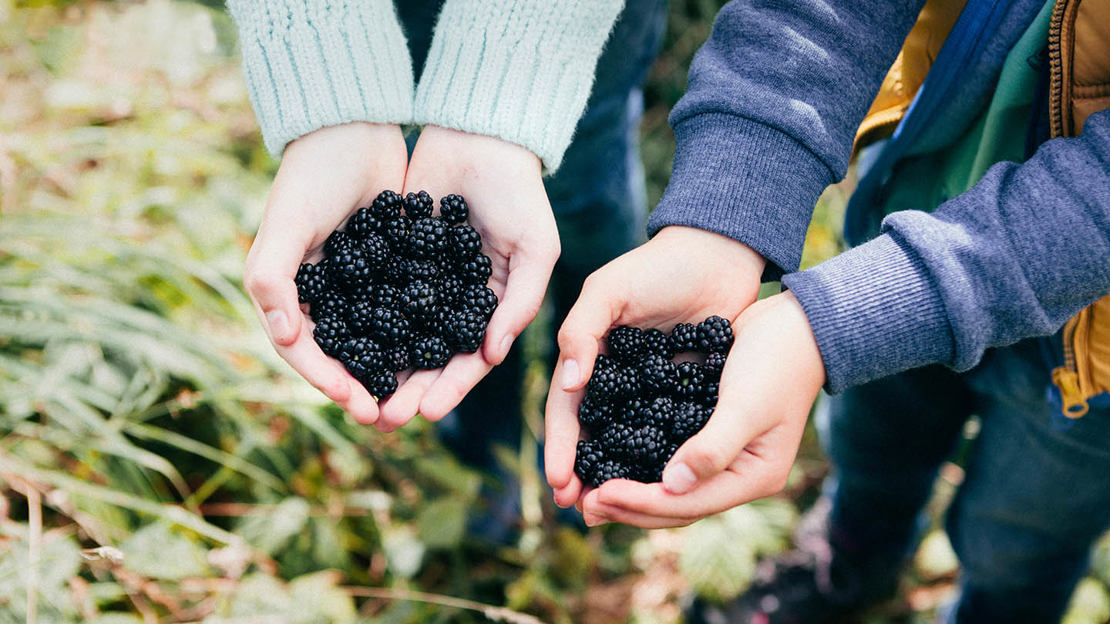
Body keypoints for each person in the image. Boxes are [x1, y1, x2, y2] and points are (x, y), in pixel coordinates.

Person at [543, 0, 1110, 621]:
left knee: (1023, 541)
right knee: (872, 449)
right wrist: (721, 223)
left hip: (1097, 367)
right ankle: (848, 564)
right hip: (903, 225)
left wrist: (827, 324)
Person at [227, 0, 666, 538]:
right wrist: (336, 94)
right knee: (483, 323)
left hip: (582, 31)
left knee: (595, 227)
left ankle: (591, 438)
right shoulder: (414, 265)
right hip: (388, 29)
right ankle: (486, 471)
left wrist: (514, 67)